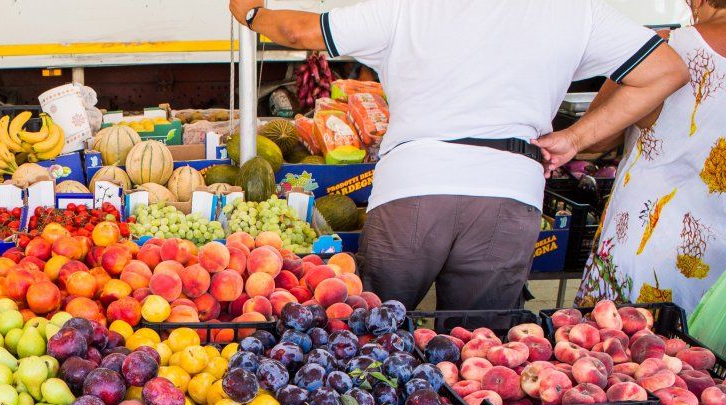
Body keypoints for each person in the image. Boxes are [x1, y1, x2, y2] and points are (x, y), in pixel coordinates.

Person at [228, 0, 689, 312]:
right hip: (510, 191)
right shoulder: (573, 10)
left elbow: (297, 29)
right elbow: (666, 70)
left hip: (413, 185)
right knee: (477, 352)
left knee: (372, 334)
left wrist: (250, 11)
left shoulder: (411, 7)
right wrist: (575, 138)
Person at [577, 0, 726, 309]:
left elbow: (594, 141)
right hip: (719, 274)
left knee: (620, 350)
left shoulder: (662, 49)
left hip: (647, 247)